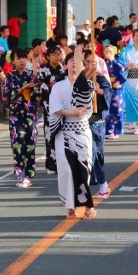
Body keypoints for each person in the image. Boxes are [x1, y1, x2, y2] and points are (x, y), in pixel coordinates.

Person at [50, 44, 95, 219]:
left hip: (82, 132)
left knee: (83, 169)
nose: (74, 64)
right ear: (66, 65)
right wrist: (71, 113)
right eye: (71, 61)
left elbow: (83, 100)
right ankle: (71, 206)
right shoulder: (58, 86)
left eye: (77, 62)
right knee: (67, 169)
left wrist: (81, 59)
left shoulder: (88, 85)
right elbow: (55, 109)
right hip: (65, 132)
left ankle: (86, 205)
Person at [3, 48, 38, 188]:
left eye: (24, 57)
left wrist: (34, 89)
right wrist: (21, 89)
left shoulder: (32, 75)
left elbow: (38, 92)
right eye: (19, 58)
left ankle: (28, 175)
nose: (22, 60)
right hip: (16, 115)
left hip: (30, 114)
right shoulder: (9, 77)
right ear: (13, 60)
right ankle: (20, 174)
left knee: (30, 143)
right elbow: (6, 95)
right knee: (17, 143)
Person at [35, 42, 66, 173]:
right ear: (48, 56)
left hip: (64, 105)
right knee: (50, 135)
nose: (57, 57)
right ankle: (51, 165)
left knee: (63, 135)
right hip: (49, 105)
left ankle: (63, 164)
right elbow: (42, 88)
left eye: (59, 54)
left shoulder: (64, 69)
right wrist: (48, 104)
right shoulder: (43, 70)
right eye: (54, 54)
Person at [85, 51, 112, 200]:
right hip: (81, 120)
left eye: (93, 62)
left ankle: (103, 183)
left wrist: (98, 90)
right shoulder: (80, 80)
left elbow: (108, 93)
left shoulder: (100, 78)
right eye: (88, 62)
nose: (91, 64)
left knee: (96, 151)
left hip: (97, 119)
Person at [103, 45, 126, 139]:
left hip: (117, 89)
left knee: (117, 109)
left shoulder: (119, 63)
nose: (108, 53)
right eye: (106, 51)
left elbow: (122, 70)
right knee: (108, 109)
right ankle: (109, 130)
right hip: (108, 88)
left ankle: (116, 130)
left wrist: (113, 60)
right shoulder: (103, 64)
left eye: (110, 51)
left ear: (114, 52)